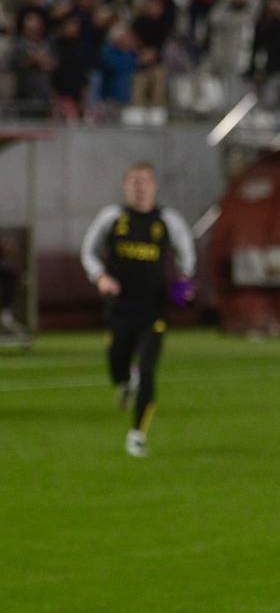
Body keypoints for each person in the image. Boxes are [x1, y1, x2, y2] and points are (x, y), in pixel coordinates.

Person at [79, 162, 196, 457]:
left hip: (153, 310)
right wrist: (100, 277)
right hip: (118, 308)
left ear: (154, 186)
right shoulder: (112, 217)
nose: (139, 186)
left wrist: (184, 278)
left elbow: (186, 251)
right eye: (134, 181)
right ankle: (124, 382)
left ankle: (137, 435)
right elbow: (88, 251)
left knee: (147, 370)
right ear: (125, 185)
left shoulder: (167, 220)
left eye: (145, 181)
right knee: (116, 364)